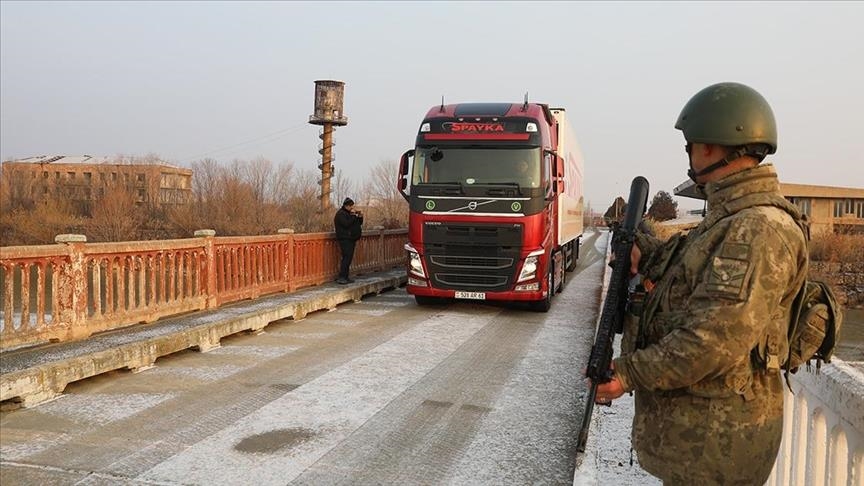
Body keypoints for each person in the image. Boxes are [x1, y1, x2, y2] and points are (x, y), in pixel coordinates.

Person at [593, 82, 808, 485]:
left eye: (691, 145)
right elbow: (689, 275)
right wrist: (646, 250)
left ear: (711, 146)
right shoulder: (729, 219)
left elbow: (712, 339)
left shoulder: (757, 228)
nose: (689, 155)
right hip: (701, 441)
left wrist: (628, 373)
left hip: (717, 448)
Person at [333, 197, 363, 284]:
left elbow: (358, 223)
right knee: (346, 258)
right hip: (344, 239)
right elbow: (346, 224)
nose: (352, 208)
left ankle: (345, 276)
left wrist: (360, 217)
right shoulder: (340, 214)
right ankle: (342, 277)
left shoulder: (348, 214)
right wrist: (353, 215)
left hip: (351, 239)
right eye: (351, 206)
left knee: (348, 258)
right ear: (347, 206)